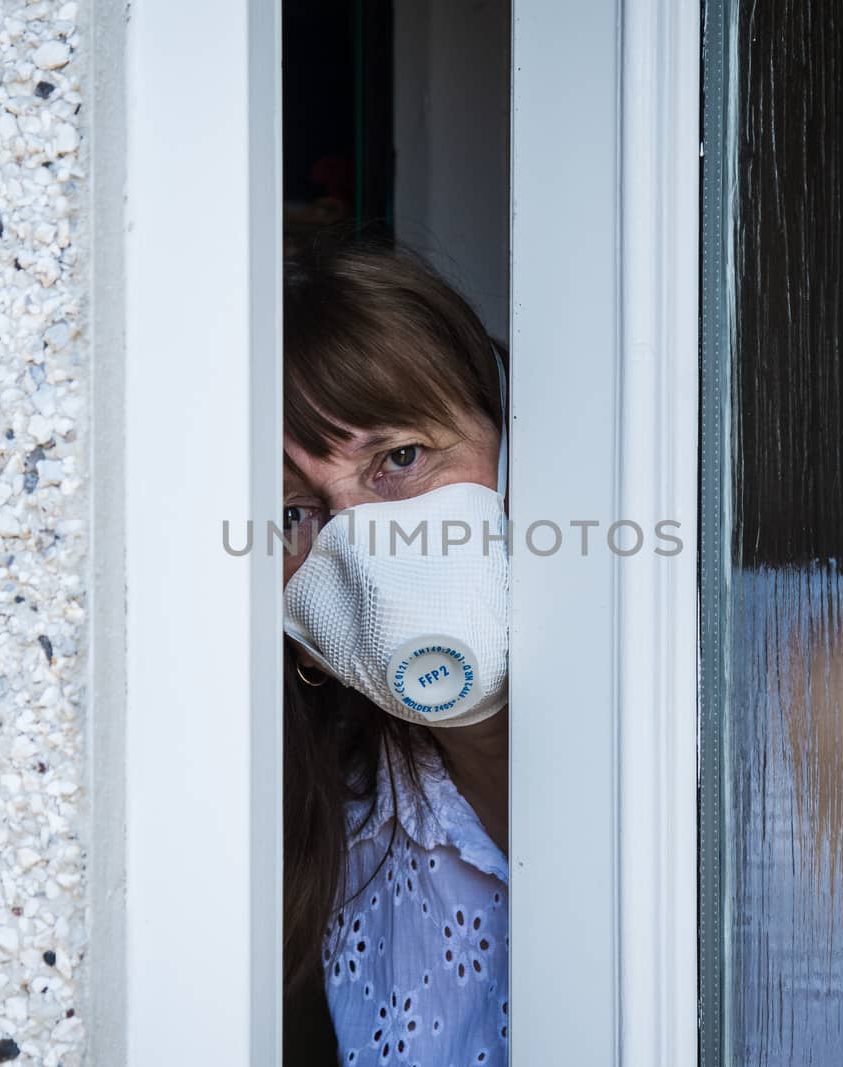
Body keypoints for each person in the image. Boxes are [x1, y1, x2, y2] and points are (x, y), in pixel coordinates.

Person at [280, 236, 512, 1066]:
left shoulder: (792, 695)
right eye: (292, 513)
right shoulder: (323, 829)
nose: (360, 554)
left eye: (400, 459)